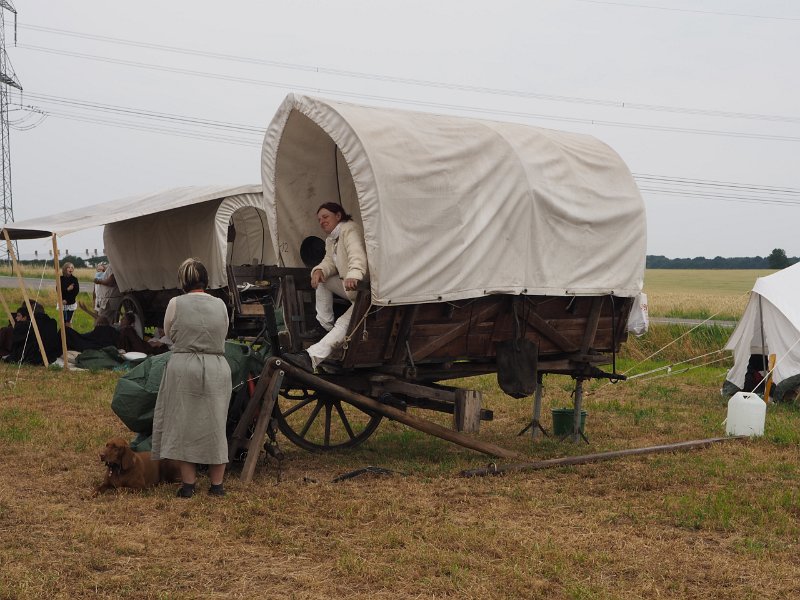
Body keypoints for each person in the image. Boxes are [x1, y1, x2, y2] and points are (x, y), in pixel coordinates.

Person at [151, 258, 232, 498]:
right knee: (216, 425)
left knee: (184, 425)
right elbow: (224, 331)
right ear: (205, 280)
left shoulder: (176, 303)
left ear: (183, 281)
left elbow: (168, 332)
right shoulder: (220, 304)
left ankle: (189, 485)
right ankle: (217, 486)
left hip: (185, 366)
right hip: (217, 366)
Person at [284, 202, 368, 371]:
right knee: (323, 280)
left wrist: (354, 274)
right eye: (319, 219)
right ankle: (324, 327)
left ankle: (311, 358)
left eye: (325, 217)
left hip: (365, 291)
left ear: (338, 216)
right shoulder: (331, 239)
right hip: (351, 290)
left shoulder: (350, 229)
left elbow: (356, 254)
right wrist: (319, 270)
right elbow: (329, 261)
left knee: (344, 324)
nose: (322, 221)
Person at [59, 262, 80, 328]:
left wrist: (67, 300)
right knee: (63, 321)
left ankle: (70, 336)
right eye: (69, 267)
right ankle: (63, 336)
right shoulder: (60, 279)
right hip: (62, 302)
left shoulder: (74, 279)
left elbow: (75, 292)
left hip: (70, 303)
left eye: (72, 268)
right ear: (65, 269)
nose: (70, 269)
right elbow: (58, 290)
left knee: (68, 321)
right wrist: (67, 289)